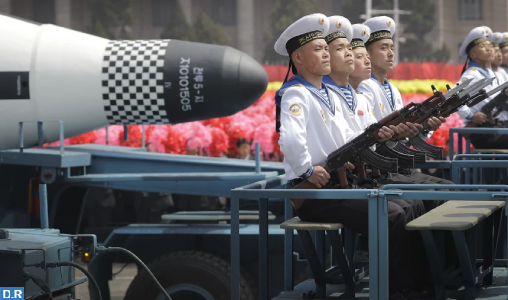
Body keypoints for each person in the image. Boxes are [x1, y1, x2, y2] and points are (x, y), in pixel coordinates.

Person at [274, 13, 421, 299]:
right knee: (390, 215)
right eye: (318, 49)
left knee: (405, 206)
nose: (326, 54)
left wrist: (370, 142)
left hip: (340, 182)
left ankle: (409, 281)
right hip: (316, 191)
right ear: (299, 59)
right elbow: (290, 139)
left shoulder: (325, 93)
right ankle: (394, 288)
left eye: (325, 48)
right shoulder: (296, 93)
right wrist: (306, 170)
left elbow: (347, 135)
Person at [322, 17, 424, 221]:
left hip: (364, 173)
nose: (352, 56)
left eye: (351, 51)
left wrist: (409, 129)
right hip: (340, 179)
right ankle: (374, 253)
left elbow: (368, 132)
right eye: (342, 50)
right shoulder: (321, 95)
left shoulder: (357, 95)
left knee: (419, 201)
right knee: (400, 210)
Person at [357, 16, 453, 211]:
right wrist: (398, 132)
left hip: (396, 163)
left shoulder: (391, 89)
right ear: (367, 53)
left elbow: (403, 131)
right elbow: (370, 134)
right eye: (383, 48)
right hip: (380, 167)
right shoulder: (366, 87)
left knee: (449, 191)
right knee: (441, 194)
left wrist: (423, 127)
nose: (390, 53)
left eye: (392, 48)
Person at [457, 27, 508, 149]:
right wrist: (471, 116)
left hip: (496, 129)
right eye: (483, 46)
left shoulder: (489, 73)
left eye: (490, 46)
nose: (489, 49)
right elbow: (454, 99)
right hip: (484, 133)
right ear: (473, 54)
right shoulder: (472, 74)